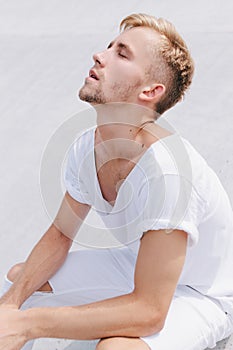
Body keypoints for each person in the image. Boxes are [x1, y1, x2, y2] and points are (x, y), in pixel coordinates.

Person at [0, 12, 233, 350]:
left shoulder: (168, 172)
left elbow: (150, 310)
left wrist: (26, 325)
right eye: (109, 47)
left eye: (122, 53)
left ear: (151, 90)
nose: (100, 55)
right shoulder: (87, 147)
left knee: (116, 347)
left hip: (200, 294)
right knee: (19, 281)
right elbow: (62, 234)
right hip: (135, 264)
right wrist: (9, 307)